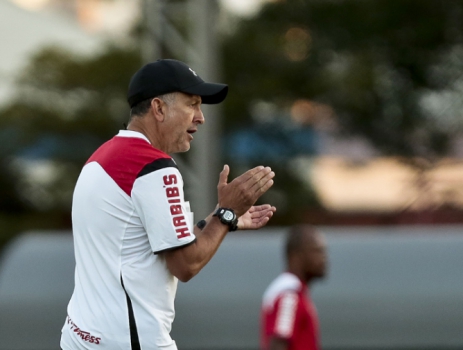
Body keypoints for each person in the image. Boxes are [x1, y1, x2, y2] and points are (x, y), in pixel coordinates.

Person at [60, 59, 276, 350]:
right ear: (159, 108)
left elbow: (153, 245)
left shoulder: (102, 156)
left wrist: (222, 217)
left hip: (81, 336)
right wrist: (226, 213)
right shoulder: (153, 166)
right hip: (128, 340)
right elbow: (185, 264)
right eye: (193, 104)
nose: (200, 117)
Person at [261, 225, 328, 350]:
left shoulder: (295, 292)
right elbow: (278, 344)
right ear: (296, 256)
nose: (324, 258)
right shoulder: (289, 295)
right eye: (316, 251)